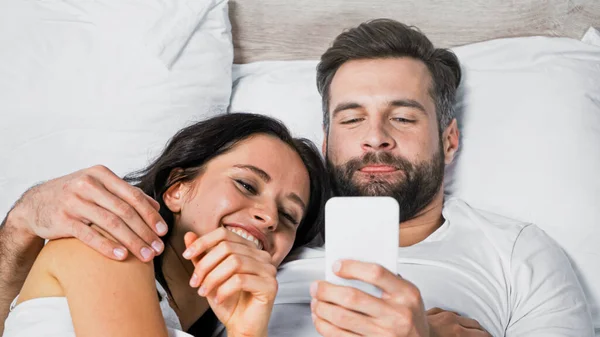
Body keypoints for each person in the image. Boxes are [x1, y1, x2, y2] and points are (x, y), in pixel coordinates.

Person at [1, 19, 592, 337]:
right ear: (329, 136)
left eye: (404, 117)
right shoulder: (253, 259)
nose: (375, 136)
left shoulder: (519, 253)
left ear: (450, 139)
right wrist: (23, 222)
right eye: (351, 117)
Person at [0, 113, 329, 337]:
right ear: (177, 189)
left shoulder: (217, 322)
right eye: (245, 184)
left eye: (288, 216)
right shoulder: (106, 242)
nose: (269, 217)